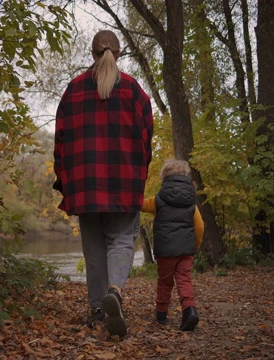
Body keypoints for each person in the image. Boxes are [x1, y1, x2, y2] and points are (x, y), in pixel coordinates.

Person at [53, 30, 154, 337]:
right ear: (119, 53)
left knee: (94, 248)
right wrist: (139, 173)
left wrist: (66, 181)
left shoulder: (74, 90)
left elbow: (61, 142)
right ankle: (115, 292)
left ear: (92, 53)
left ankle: (98, 310)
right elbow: (146, 140)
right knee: (122, 240)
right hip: (123, 180)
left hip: (85, 184)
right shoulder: (134, 91)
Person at [141, 159, 204, 331]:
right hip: (186, 250)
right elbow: (199, 226)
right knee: (184, 280)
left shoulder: (158, 199)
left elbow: (141, 204)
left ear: (164, 177)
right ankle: (189, 310)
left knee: (165, 281)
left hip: (166, 251)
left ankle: (161, 314)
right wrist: (195, 245)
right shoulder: (191, 202)